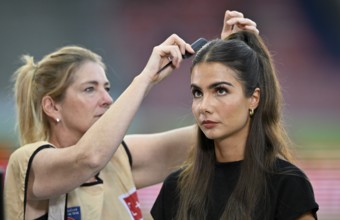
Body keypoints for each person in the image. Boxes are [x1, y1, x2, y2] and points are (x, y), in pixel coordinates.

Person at [4, 10, 258, 220]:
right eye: (89, 89)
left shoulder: (120, 158)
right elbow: (88, 158)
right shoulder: (28, 163)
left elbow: (219, 135)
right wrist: (146, 78)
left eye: (107, 88)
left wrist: (230, 64)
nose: (107, 99)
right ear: (52, 107)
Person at [151, 31, 319, 219]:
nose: (204, 106)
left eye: (220, 90)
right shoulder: (175, 188)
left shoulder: (287, 184)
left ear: (253, 99)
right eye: (197, 93)